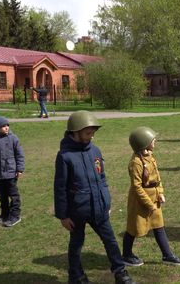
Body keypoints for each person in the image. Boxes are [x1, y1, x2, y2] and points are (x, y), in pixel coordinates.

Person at [54, 110, 135, 284]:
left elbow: (102, 178)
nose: (92, 137)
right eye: (88, 133)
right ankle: (76, 276)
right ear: (74, 132)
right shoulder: (64, 156)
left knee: (111, 241)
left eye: (93, 133)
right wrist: (63, 216)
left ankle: (120, 274)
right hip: (77, 211)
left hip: (99, 208)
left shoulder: (95, 151)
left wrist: (106, 203)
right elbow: (60, 188)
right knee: (76, 245)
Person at [122, 127, 180, 266]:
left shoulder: (149, 156)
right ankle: (126, 255)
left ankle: (167, 255)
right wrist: (148, 204)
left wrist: (160, 193)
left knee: (158, 226)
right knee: (133, 228)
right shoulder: (136, 162)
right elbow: (137, 187)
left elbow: (157, 178)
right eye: (152, 139)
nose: (154, 140)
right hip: (140, 201)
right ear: (143, 142)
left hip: (154, 198)